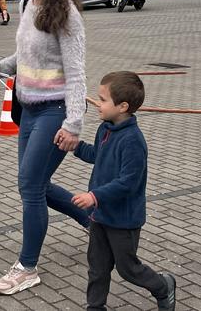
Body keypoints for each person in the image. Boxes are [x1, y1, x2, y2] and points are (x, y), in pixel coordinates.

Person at [0, 0, 90, 295]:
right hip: (26, 109)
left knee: (29, 186)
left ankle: (27, 267)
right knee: (35, 184)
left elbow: (76, 73)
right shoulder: (27, 2)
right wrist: (0, 65)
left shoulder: (66, 14)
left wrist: (73, 124)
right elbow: (24, 57)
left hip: (55, 113)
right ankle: (90, 218)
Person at [70, 71, 176, 311]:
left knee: (128, 269)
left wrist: (93, 196)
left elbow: (128, 182)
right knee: (97, 266)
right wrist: (76, 146)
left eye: (103, 99)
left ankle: (163, 286)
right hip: (100, 215)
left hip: (123, 219)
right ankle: (95, 307)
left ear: (123, 106)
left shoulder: (133, 141)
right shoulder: (105, 129)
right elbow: (97, 156)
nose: (98, 103)